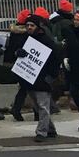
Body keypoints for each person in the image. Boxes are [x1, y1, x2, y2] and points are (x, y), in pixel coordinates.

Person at [17, 13, 60, 142]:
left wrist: (51, 76)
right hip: (29, 77)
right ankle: (50, 129)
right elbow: (14, 52)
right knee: (38, 106)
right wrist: (18, 53)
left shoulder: (47, 41)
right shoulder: (25, 39)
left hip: (42, 79)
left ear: (38, 26)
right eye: (27, 25)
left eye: (32, 25)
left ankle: (41, 132)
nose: (29, 27)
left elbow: (55, 59)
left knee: (43, 106)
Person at [5, 10, 33, 122]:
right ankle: (20, 109)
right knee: (31, 88)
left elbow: (10, 50)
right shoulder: (29, 33)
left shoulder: (14, 33)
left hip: (18, 63)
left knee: (24, 88)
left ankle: (16, 108)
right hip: (29, 64)